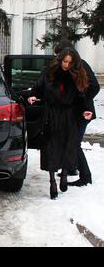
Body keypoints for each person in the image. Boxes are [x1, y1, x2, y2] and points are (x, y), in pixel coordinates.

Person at [28, 48, 94, 199]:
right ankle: (52, 182)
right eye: (65, 61)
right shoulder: (48, 72)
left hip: (69, 115)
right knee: (51, 147)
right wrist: (33, 95)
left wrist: (85, 110)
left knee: (67, 145)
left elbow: (81, 96)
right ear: (60, 60)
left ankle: (64, 174)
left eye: (70, 63)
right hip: (51, 114)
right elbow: (38, 87)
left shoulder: (76, 75)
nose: (66, 65)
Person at [53, 42, 101, 186]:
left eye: (58, 55)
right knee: (68, 140)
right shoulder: (69, 67)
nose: (58, 59)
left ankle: (86, 177)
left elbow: (94, 87)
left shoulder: (81, 66)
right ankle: (71, 168)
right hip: (73, 112)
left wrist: (82, 101)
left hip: (82, 113)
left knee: (74, 143)